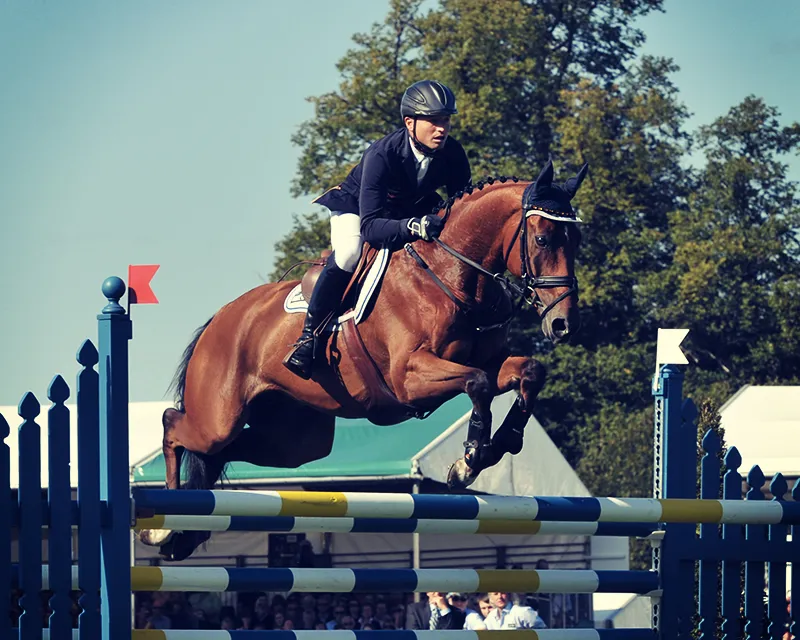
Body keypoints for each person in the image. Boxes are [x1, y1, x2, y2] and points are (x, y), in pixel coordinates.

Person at [282, 79, 472, 379]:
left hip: (407, 207)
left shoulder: (453, 153)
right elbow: (370, 227)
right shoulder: (382, 154)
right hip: (357, 209)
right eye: (434, 121)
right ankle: (309, 336)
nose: (442, 128)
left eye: (445, 120)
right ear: (410, 122)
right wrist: (414, 225)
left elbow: (463, 208)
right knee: (348, 254)